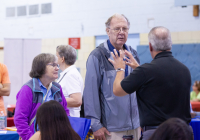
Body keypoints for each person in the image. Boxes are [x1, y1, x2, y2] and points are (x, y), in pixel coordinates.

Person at [109, 26, 191, 140]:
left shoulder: (145, 71)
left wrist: (120, 69)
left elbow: (117, 90)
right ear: (170, 44)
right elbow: (158, 81)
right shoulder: (185, 70)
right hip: (183, 134)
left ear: (150, 46)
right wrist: (138, 68)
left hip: (156, 134)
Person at [84, 14, 141, 140]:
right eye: (117, 29)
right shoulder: (98, 56)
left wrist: (141, 119)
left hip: (135, 126)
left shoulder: (133, 54)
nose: (121, 32)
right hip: (111, 129)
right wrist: (95, 124)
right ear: (108, 31)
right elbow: (90, 93)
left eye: (125, 29)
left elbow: (139, 89)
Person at [14, 53, 69, 140]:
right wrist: (30, 138)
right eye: (53, 65)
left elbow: (65, 112)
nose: (57, 68)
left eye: (57, 65)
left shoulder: (57, 88)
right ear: (41, 67)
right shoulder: (28, 89)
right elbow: (20, 119)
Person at [56, 45, 83, 117]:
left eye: (57, 56)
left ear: (62, 59)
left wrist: (53, 100)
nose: (55, 60)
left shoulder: (71, 75)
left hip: (70, 121)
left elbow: (77, 101)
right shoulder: (67, 74)